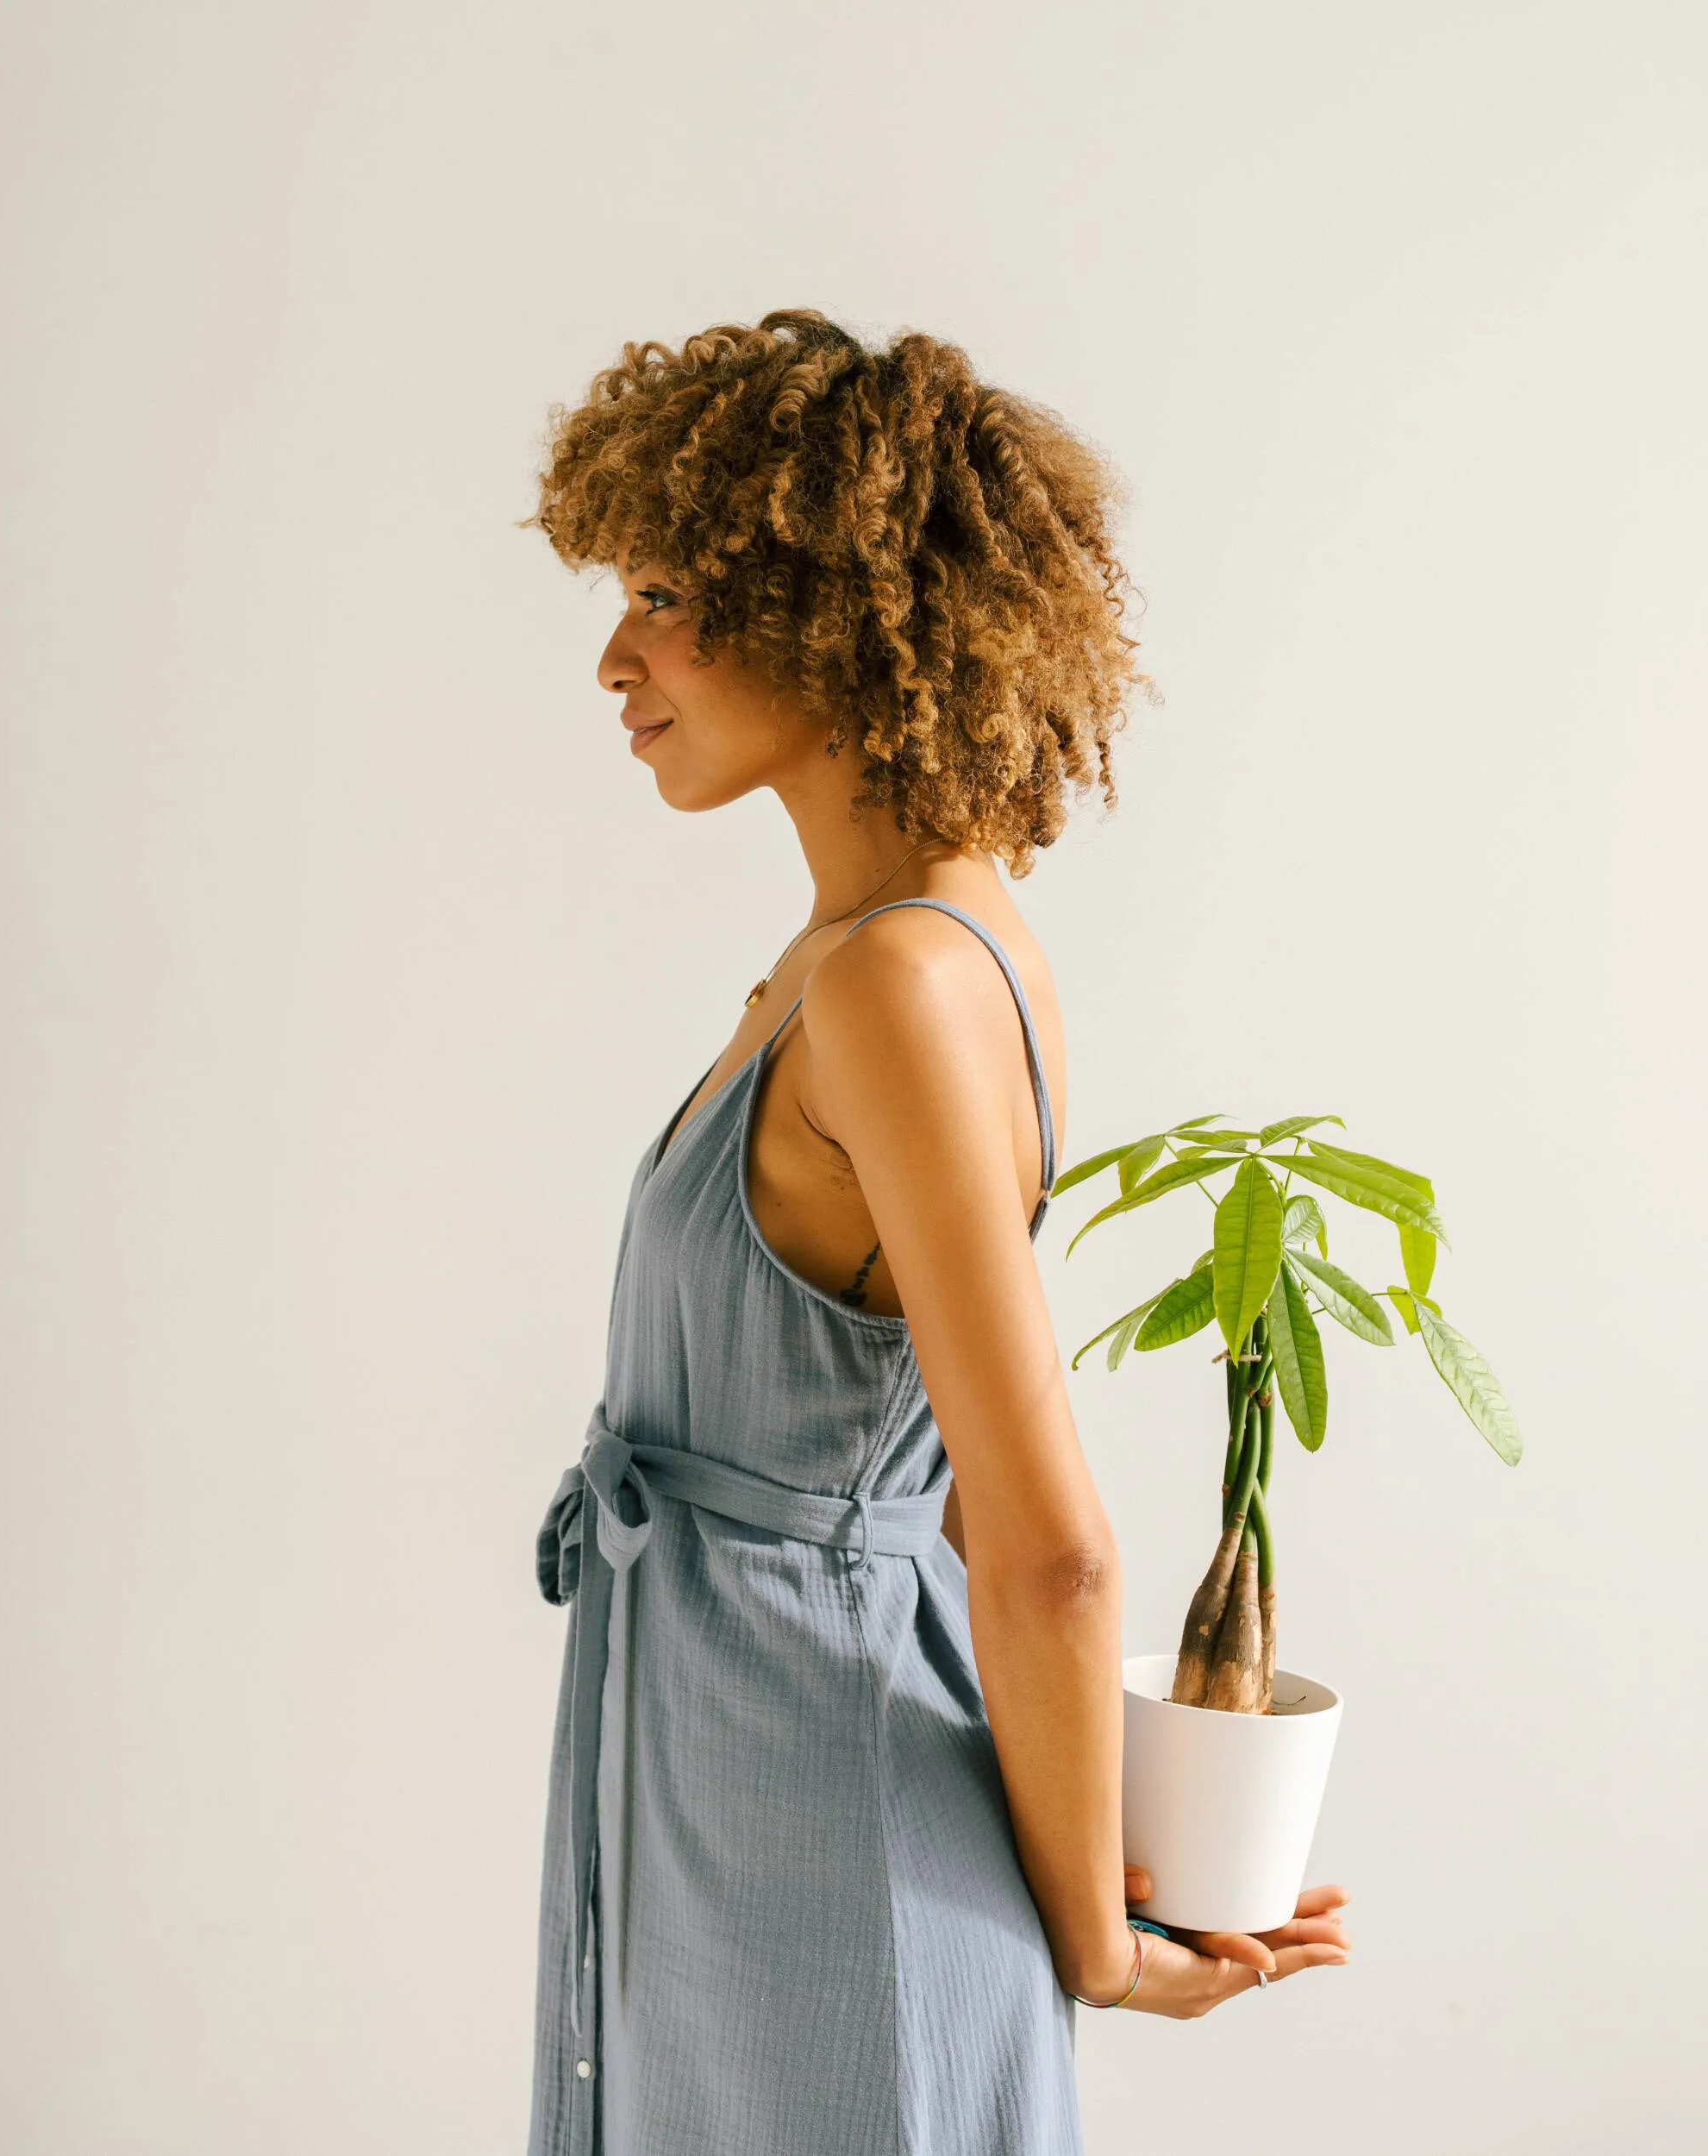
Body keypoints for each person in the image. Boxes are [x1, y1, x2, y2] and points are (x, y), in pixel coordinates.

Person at [521, 310, 1349, 2156]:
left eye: (664, 590)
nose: (612, 655)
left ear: (818, 597)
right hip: (737, 1785)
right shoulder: (890, 951)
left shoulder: (897, 979)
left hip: (817, 1816)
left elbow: (1040, 1542)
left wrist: (1097, 1941)